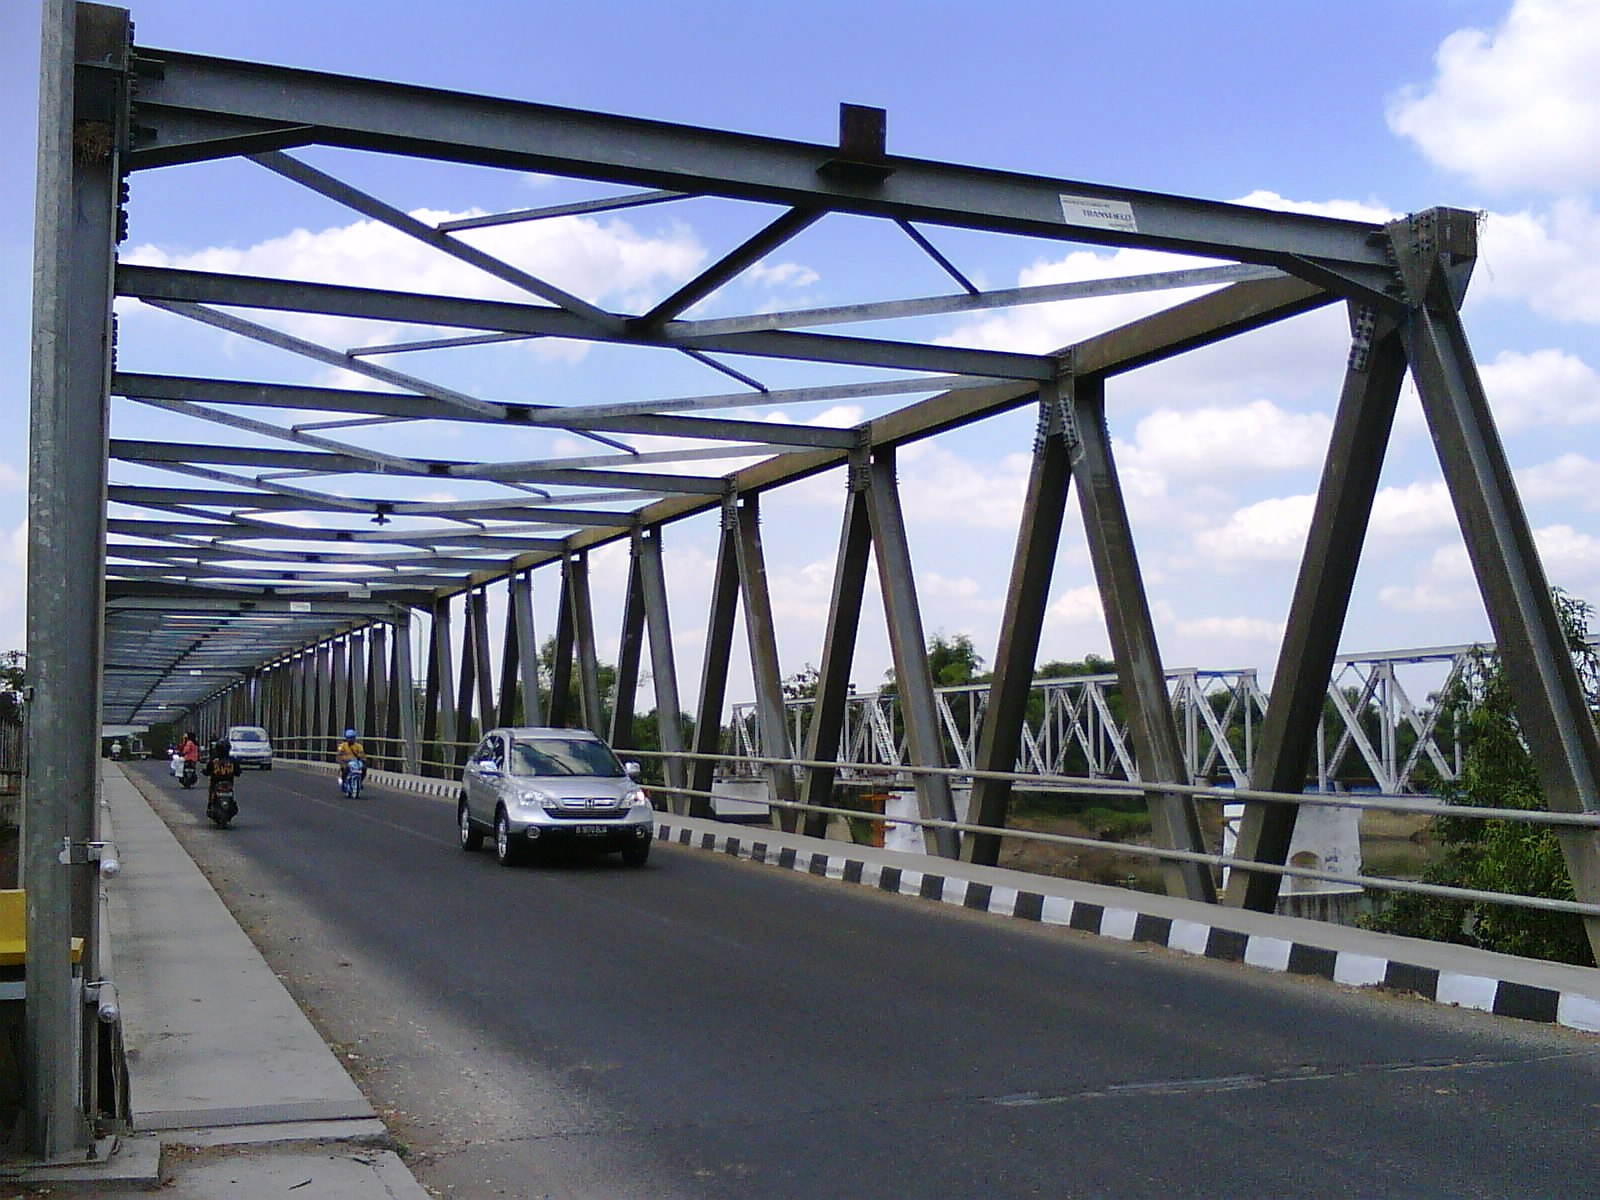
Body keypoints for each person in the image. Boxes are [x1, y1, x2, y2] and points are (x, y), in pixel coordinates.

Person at [203, 737, 239, 820]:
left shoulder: (213, 760)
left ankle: (211, 804)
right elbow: (238, 771)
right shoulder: (232, 760)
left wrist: (205, 772)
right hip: (227, 784)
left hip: (217, 783)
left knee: (211, 791)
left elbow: (208, 771)